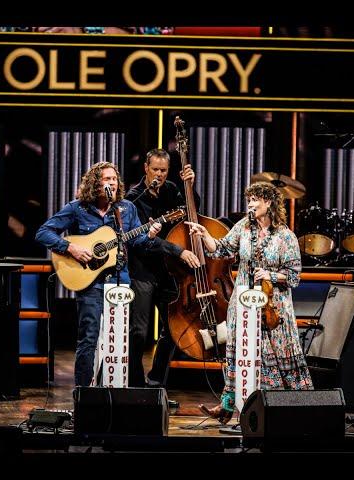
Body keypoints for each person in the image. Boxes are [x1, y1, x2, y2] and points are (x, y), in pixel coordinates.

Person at [185, 181, 313, 423]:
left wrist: (271, 275)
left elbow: (294, 276)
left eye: (255, 199)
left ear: (269, 203)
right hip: (242, 303)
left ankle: (288, 407)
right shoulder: (243, 227)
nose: (251, 204)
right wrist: (205, 236)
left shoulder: (286, 236)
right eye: (249, 200)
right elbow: (220, 249)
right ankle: (228, 405)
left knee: (273, 353)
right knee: (238, 354)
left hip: (272, 306)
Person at [35, 162, 160, 387]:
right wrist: (69, 247)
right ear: (94, 183)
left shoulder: (126, 209)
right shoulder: (77, 208)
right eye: (106, 179)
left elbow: (137, 242)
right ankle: (83, 393)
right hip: (90, 283)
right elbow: (43, 233)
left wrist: (149, 235)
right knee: (89, 338)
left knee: (120, 339)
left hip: (120, 281)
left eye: (114, 179)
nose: (111, 183)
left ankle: (115, 391)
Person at [125, 148, 201, 388]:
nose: (159, 174)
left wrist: (189, 185)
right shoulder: (133, 197)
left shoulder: (171, 190)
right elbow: (143, 240)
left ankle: (157, 379)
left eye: (164, 171)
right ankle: (135, 383)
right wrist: (176, 250)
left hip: (169, 271)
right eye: (155, 170)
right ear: (146, 168)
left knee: (173, 328)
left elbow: (191, 210)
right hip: (142, 270)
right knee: (138, 331)